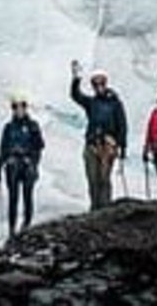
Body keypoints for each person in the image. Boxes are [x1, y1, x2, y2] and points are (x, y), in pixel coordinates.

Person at [67, 61, 127, 210]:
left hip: (108, 146)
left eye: (101, 82)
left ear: (106, 83)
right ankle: (95, 207)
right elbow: (76, 95)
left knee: (104, 178)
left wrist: (121, 145)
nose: (99, 86)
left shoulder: (115, 103)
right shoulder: (91, 103)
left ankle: (104, 208)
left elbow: (122, 125)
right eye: (95, 83)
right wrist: (76, 79)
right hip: (92, 145)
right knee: (93, 178)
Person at [0, 95, 44, 238]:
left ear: (25, 107)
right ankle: (12, 229)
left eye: (21, 106)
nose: (18, 110)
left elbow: (40, 146)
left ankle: (26, 225)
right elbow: (3, 148)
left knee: (27, 196)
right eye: (15, 107)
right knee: (13, 198)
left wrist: (34, 164)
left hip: (27, 164)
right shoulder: (8, 127)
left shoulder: (33, 125)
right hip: (12, 165)